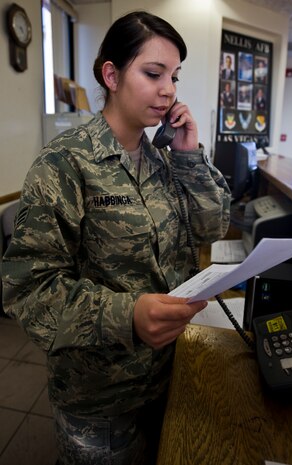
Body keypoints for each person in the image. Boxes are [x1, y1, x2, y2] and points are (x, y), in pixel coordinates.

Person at [2, 10, 231, 465]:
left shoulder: (165, 159)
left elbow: (213, 228)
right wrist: (126, 315)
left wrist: (188, 156)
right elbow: (27, 291)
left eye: (174, 76)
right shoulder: (64, 164)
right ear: (112, 75)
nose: (168, 89)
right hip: (101, 399)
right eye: (153, 73)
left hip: (169, 374)